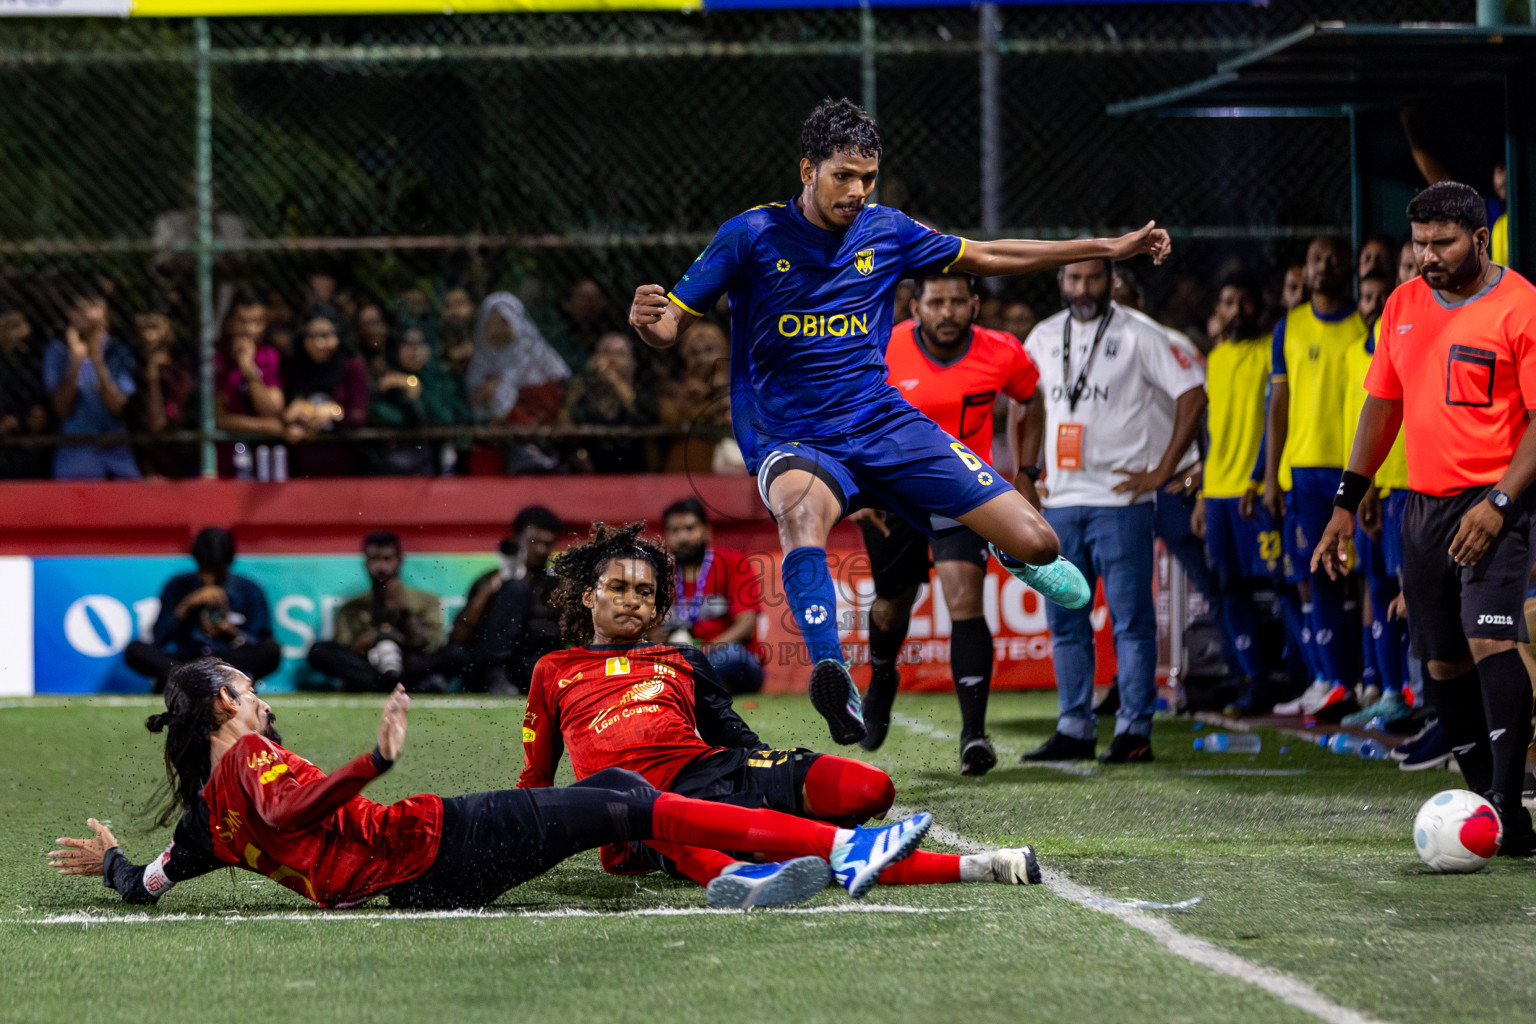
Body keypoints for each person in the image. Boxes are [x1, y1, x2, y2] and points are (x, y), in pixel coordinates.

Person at [628, 97, 1171, 745]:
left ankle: (1002, 542)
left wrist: (1111, 246)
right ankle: (832, 671)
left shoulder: (888, 231)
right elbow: (669, 325)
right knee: (801, 515)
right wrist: (649, 320)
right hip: (793, 436)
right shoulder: (751, 235)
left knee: (1040, 545)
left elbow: (992, 257)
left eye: (866, 176)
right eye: (842, 176)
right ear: (807, 169)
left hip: (885, 424)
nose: (856, 190)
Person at [49, 657, 939, 912]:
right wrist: (374, 763)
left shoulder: (205, 823)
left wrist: (120, 864)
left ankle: (734, 877)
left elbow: (149, 885)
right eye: (248, 688)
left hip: (418, 888)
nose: (263, 697)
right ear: (220, 712)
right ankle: (845, 849)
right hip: (435, 844)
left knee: (623, 791)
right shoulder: (248, 763)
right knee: (627, 798)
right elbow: (289, 804)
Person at [519, 522, 1041, 896]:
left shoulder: (682, 658)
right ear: (589, 596)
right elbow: (535, 779)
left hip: (712, 770)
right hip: (641, 811)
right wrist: (512, 839)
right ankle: (979, 866)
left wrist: (772, 779)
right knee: (705, 831)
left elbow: (727, 728)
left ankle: (775, 840)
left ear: (658, 607)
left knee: (871, 789)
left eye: (645, 592)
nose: (631, 600)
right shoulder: (554, 669)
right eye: (618, 588)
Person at [1315, 181, 1536, 855]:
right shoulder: (1402, 306)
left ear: (1480, 238)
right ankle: (1482, 809)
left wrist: (1500, 503)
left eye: (1441, 244)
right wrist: (1344, 507)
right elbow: (1381, 409)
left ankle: (1508, 803)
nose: (1427, 258)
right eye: (1420, 244)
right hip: (1422, 507)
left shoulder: (1521, 305)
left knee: (1491, 639)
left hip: (1495, 500)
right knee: (1441, 664)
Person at [1014, 259, 1207, 763]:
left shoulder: (1140, 333)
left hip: (1121, 502)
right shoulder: (1041, 336)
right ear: (1060, 281)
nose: (1083, 288)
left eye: (1093, 278)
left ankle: (1133, 731)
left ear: (1111, 280)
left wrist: (1161, 471)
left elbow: (1193, 393)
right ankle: (1074, 728)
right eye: (1074, 279)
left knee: (1131, 620)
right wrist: (1027, 473)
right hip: (1058, 502)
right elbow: (1025, 403)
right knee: (1065, 621)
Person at [855, 273, 1040, 774]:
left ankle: (973, 735)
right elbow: (846, 415)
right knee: (893, 606)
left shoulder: (1002, 351)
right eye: (937, 302)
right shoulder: (882, 346)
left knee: (965, 597)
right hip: (893, 489)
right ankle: (883, 676)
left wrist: (1027, 472)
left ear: (976, 305)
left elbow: (1031, 397)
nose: (949, 312)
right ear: (916, 306)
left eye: (959, 301)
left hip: (963, 490)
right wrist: (855, 490)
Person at [1263, 238, 1367, 722]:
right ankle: (1330, 680)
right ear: (1304, 268)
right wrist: (1269, 476)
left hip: (1353, 470)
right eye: (1316, 258)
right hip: (1303, 471)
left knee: (1362, 576)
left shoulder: (1362, 325)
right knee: (1318, 575)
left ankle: (1365, 681)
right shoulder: (1289, 326)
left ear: (1347, 266)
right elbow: (1277, 406)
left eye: (1332, 258)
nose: (1324, 266)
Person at [1193, 276, 1285, 715]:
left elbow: (1276, 416)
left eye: (1245, 301)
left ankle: (1304, 676)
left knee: (1284, 584)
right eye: (1229, 301)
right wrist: (1200, 496)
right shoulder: (1215, 359)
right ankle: (1256, 680)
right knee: (1228, 588)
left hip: (1257, 489)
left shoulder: (1272, 351)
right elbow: (1209, 433)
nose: (1237, 310)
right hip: (1217, 495)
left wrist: (1260, 477)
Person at [1337, 270, 1412, 726]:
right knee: (1378, 586)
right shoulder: (1357, 354)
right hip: (1381, 488)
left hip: (1415, 486)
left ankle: (1416, 695)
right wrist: (1364, 487)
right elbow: (1364, 420)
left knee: (1415, 592)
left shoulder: (1413, 340)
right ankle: (1388, 689)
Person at [125, 527, 281, 694]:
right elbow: (159, 638)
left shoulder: (249, 590)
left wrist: (229, 631)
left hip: (229, 660)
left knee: (271, 650)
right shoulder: (178, 586)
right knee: (136, 650)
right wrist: (187, 605)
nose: (210, 578)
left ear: (228, 563)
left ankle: (194, 681)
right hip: (188, 660)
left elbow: (260, 639)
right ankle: (191, 679)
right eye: (206, 570)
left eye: (217, 570)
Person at [306, 531, 462, 693]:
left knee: (456, 654)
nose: (380, 567)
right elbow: (345, 649)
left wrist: (403, 611)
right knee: (319, 652)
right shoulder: (353, 607)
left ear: (399, 561)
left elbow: (430, 645)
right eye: (374, 560)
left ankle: (390, 683)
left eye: (387, 559)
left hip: (410, 663)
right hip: (370, 664)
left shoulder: (426, 601)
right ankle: (402, 685)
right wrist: (366, 641)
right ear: (365, 563)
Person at [452, 505, 566, 694]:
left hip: (534, 664)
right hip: (489, 667)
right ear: (516, 539)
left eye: (547, 544)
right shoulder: (490, 580)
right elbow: (460, 636)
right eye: (533, 541)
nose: (540, 549)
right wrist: (494, 587)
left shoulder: (556, 586)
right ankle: (497, 674)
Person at [658, 497, 765, 695]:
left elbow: (746, 625)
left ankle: (691, 685)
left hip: (724, 655)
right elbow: (650, 629)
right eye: (675, 531)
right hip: (678, 658)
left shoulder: (733, 563)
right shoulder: (659, 573)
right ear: (666, 536)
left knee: (732, 656)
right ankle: (697, 686)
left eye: (690, 529)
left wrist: (703, 653)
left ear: (707, 531)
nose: (683, 537)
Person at [43, 285, 140, 480]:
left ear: (106, 315)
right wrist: (75, 361)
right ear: (70, 315)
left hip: (116, 447)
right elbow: (62, 409)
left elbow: (116, 406)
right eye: (79, 308)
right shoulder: (57, 351)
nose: (87, 313)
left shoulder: (119, 351)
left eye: (93, 306)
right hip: (76, 448)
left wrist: (97, 360)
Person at [466, 291, 569, 474]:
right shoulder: (479, 362)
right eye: (491, 323)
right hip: (490, 440)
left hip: (535, 437)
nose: (497, 330)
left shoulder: (538, 357)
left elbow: (554, 395)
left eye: (503, 322)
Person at [283, 311, 369, 477]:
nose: (318, 343)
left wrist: (335, 412)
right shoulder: (297, 366)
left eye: (325, 335)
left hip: (344, 466)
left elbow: (360, 415)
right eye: (311, 336)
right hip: (302, 466)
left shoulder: (351, 365)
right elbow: (287, 410)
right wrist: (293, 420)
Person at [564, 330, 655, 473]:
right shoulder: (584, 393)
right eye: (606, 352)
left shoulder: (643, 394)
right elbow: (566, 421)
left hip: (634, 469)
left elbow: (642, 418)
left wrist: (615, 382)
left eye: (619, 354)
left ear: (632, 363)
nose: (611, 360)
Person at [129, 300, 197, 479]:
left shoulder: (182, 371)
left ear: (170, 330)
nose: (149, 335)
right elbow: (150, 424)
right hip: (144, 461)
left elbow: (163, 424)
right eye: (144, 328)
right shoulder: (131, 369)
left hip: (182, 458)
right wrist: (151, 377)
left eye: (155, 327)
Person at [0, 301, 50, 479]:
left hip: (28, 451)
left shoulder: (35, 365)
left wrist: (23, 421)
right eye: (10, 327)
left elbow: (39, 418)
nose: (18, 334)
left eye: (21, 326)